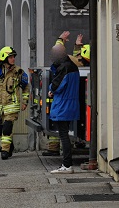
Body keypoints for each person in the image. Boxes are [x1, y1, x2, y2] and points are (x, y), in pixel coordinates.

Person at [0, 46, 29, 160]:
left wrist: (25, 102)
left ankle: (4, 151)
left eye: (13, 57)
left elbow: (26, 87)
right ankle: (9, 146)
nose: (13, 59)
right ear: (4, 58)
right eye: (11, 57)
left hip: (11, 106)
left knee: (7, 128)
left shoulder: (18, 72)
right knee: (1, 129)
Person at [48, 43, 81, 173]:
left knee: (63, 135)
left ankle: (67, 165)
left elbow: (57, 85)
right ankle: (66, 164)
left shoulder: (64, 68)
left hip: (63, 105)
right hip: (71, 104)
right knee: (65, 134)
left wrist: (51, 90)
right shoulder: (73, 67)